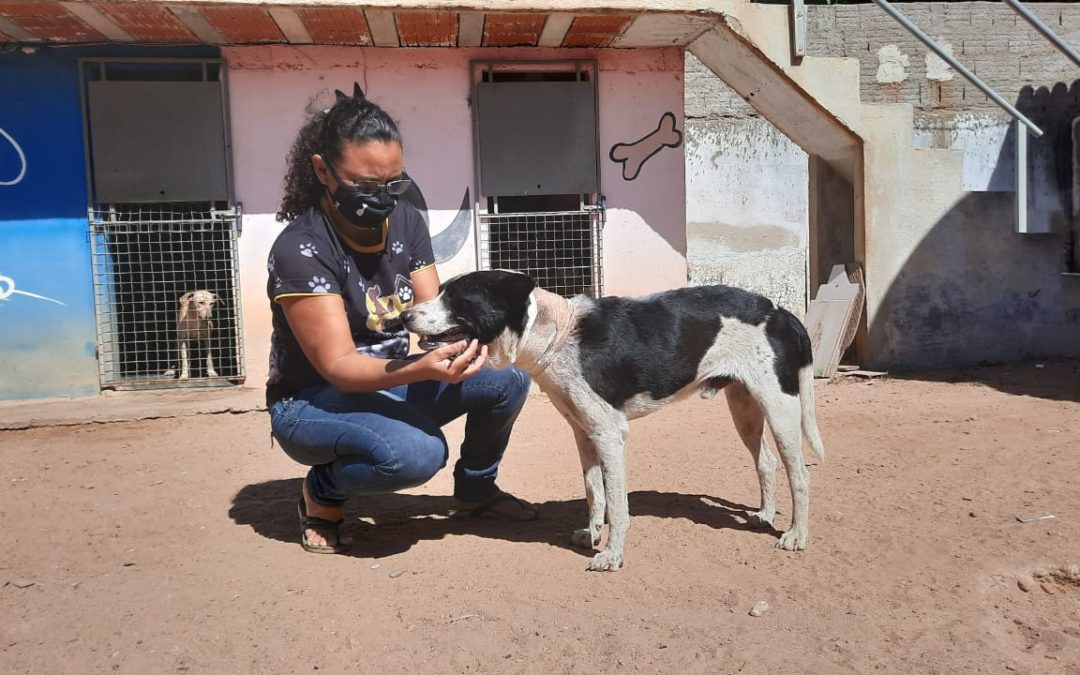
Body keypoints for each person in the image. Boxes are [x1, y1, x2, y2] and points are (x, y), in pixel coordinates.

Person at [266, 83, 537, 554]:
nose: (382, 198)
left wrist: (461, 345)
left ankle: (476, 490)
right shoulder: (302, 249)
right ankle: (322, 496)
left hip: (388, 382)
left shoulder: (407, 221)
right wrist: (420, 369)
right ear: (322, 171)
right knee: (417, 454)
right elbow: (339, 367)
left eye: (394, 184)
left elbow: (432, 316)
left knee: (505, 378)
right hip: (313, 402)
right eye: (364, 186)